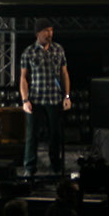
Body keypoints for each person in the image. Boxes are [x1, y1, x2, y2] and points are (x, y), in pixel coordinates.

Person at [18, 19, 71, 178]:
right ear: (38, 33)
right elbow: (23, 78)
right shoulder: (29, 52)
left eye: (51, 30)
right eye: (46, 31)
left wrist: (67, 96)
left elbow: (64, 73)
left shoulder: (58, 49)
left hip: (54, 98)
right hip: (36, 99)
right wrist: (25, 100)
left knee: (55, 134)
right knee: (32, 135)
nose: (50, 34)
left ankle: (55, 165)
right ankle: (30, 167)